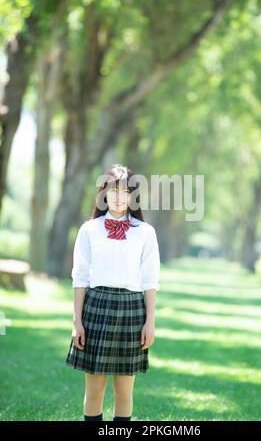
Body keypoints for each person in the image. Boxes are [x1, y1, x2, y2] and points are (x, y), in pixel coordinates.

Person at [65, 164, 160, 422]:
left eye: (125, 191)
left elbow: (150, 281)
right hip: (96, 307)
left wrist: (150, 322)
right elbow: (80, 278)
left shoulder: (146, 233)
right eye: (113, 190)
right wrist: (77, 322)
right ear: (104, 193)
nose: (119, 196)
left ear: (132, 196)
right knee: (95, 388)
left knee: (123, 391)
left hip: (131, 310)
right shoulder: (89, 230)